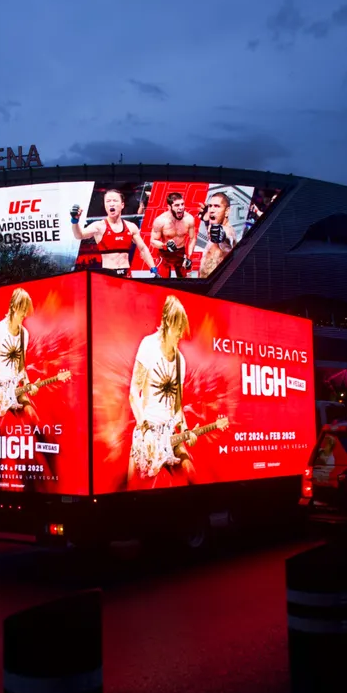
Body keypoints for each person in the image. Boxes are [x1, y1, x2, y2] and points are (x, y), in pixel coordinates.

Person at [127, 296, 197, 485]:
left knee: (191, 474)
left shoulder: (180, 361)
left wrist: (185, 430)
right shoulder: (148, 346)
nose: (181, 334)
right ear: (167, 321)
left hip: (170, 436)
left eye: (182, 328)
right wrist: (146, 431)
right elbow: (134, 393)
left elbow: (177, 407)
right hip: (147, 432)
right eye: (178, 327)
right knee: (135, 487)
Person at [71, 188, 157, 277]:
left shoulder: (131, 227)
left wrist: (153, 269)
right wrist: (75, 220)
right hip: (108, 276)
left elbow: (143, 249)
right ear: (105, 205)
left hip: (126, 275)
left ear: (122, 205)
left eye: (115, 201)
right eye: (108, 201)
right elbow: (79, 235)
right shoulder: (99, 226)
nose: (111, 204)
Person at [0, 288, 38, 421]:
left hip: (14, 389)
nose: (25, 313)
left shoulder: (24, 334)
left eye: (26, 309)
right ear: (14, 307)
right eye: (22, 308)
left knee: (33, 418)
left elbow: (21, 368)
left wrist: (29, 385)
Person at [149, 192, 198, 278]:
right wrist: (165, 246)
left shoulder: (189, 219)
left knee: (186, 284)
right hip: (165, 254)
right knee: (161, 282)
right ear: (169, 207)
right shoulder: (160, 221)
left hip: (180, 253)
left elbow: (192, 238)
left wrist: (189, 257)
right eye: (177, 205)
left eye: (182, 204)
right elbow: (153, 241)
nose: (181, 208)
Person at [198, 192, 237, 278]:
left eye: (217, 206)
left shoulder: (228, 230)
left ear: (227, 211)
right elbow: (213, 234)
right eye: (210, 206)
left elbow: (229, 236)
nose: (211, 210)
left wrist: (223, 233)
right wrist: (206, 222)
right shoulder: (214, 230)